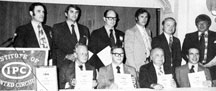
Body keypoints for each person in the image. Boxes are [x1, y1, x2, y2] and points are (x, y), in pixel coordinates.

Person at [182, 14, 216, 80]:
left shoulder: (215, 35)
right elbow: (184, 53)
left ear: (208, 24)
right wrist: (194, 62)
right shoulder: (189, 36)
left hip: (213, 69)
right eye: (199, 23)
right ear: (196, 25)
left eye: (204, 23)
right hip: (194, 69)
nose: (201, 25)